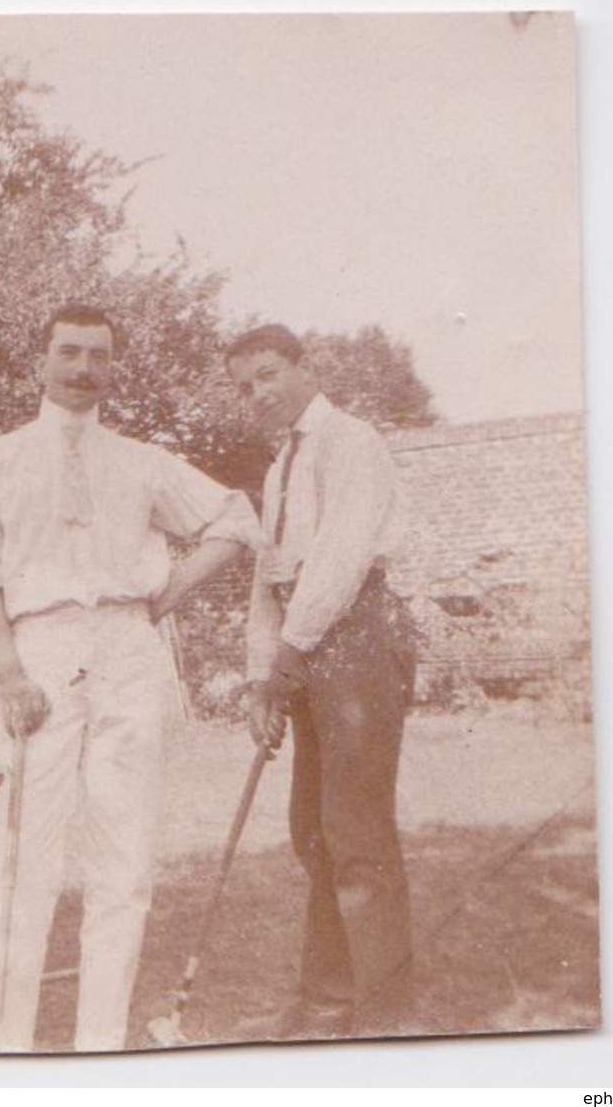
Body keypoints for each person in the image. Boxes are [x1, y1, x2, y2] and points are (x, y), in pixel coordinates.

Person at [0, 303, 261, 1053]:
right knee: (23, 860)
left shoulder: (142, 461)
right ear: (41, 361)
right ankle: (5, 1049)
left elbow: (236, 518)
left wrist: (164, 596)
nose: (83, 368)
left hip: (126, 653)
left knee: (122, 865)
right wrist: (10, 675)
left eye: (98, 355)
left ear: (114, 367)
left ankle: (101, 1047)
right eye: (68, 352)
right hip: (40, 654)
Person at [224, 323, 418, 1039]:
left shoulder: (351, 442)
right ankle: (330, 998)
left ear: (306, 367)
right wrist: (258, 678)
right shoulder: (279, 468)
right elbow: (266, 581)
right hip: (305, 641)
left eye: (269, 374)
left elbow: (338, 559)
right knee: (313, 829)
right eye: (245, 387)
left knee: (354, 826)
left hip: (357, 637)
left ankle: (388, 1013)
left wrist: (288, 657)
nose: (259, 394)